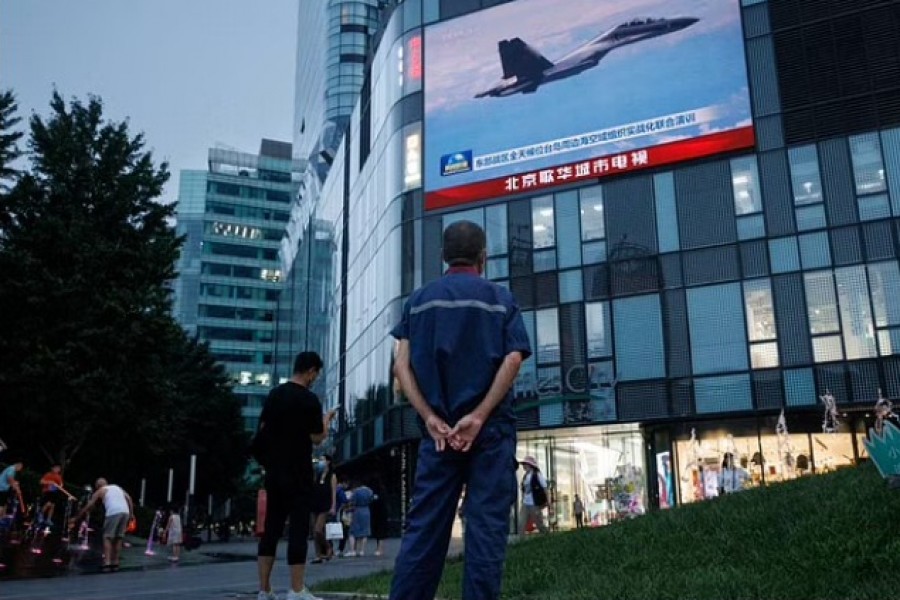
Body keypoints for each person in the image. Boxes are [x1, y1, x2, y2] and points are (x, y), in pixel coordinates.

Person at [389, 220, 531, 600]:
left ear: (443, 257)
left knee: (424, 533)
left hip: (437, 437)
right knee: (485, 533)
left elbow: (401, 367)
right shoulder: (501, 299)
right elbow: (514, 358)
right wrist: (481, 414)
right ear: (483, 257)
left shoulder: (418, 302)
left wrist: (431, 418)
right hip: (489, 434)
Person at [255, 351, 336, 600]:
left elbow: (262, 429)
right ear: (310, 371)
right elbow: (317, 438)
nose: (315, 378)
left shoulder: (275, 395)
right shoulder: (309, 400)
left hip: (275, 472)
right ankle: (297, 589)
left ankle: (265, 589)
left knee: (271, 530)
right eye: (316, 374)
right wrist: (326, 421)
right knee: (299, 529)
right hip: (299, 472)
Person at [71, 478, 134, 572]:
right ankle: (115, 563)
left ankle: (107, 563)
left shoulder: (101, 490)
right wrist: (131, 514)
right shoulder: (117, 487)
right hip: (125, 512)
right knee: (118, 538)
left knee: (107, 537)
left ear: (97, 486)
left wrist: (76, 517)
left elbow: (89, 505)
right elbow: (129, 498)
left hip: (113, 512)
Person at [310, 454, 336, 563]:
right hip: (314, 503)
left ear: (328, 462)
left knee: (318, 529)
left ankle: (328, 546)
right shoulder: (317, 474)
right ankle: (318, 554)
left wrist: (333, 506)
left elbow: (333, 492)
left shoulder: (332, 476)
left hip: (325, 505)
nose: (320, 462)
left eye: (322, 460)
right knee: (314, 532)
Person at [518, 456, 548, 535]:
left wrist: (548, 502)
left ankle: (547, 537)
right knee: (521, 524)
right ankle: (520, 542)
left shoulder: (537, 475)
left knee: (539, 524)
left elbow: (545, 488)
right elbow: (523, 489)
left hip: (534, 504)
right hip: (525, 503)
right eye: (523, 464)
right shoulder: (525, 476)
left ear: (530, 465)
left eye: (525, 464)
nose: (524, 466)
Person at [346, 481, 374, 557]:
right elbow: (372, 500)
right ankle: (362, 550)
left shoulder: (356, 491)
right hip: (366, 510)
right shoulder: (369, 491)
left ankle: (352, 550)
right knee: (365, 531)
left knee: (352, 531)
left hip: (357, 511)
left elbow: (352, 502)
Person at [369, 481, 389, 557]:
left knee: (380, 533)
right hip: (381, 514)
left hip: (379, 514)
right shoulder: (383, 493)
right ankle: (380, 549)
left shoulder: (377, 494)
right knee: (380, 533)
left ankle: (380, 549)